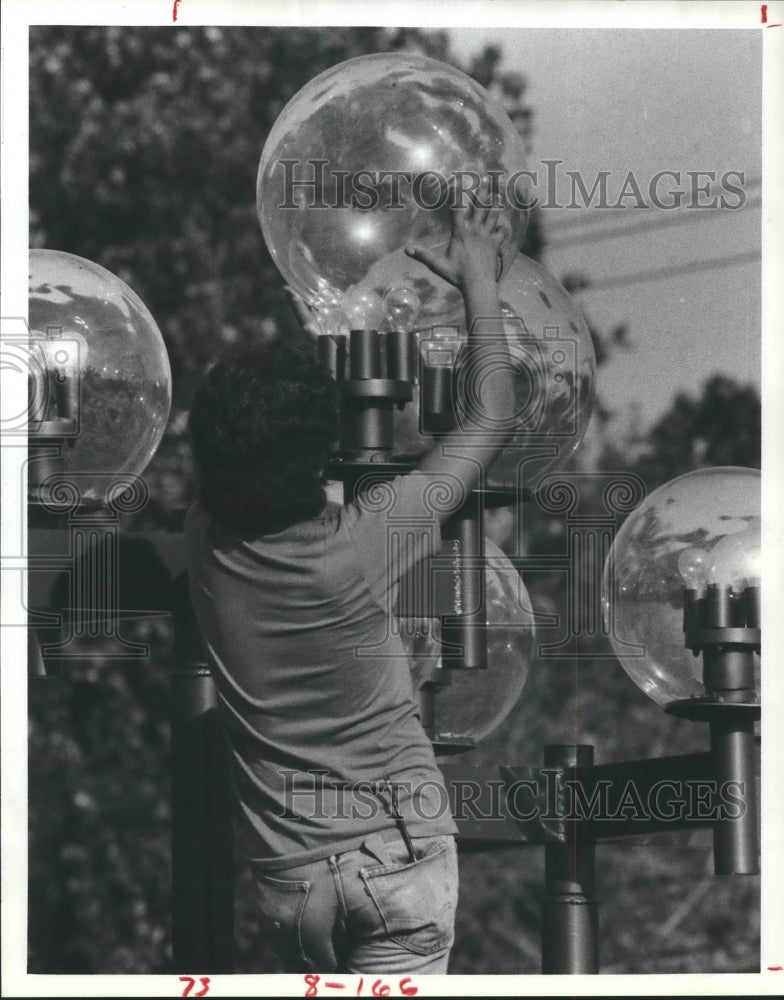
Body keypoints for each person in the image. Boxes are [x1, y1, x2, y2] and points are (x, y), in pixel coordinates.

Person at [185, 185, 515, 975]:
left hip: (291, 887)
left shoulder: (206, 543)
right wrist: (476, 280)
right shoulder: (371, 540)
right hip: (399, 860)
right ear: (323, 456)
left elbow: (248, 447)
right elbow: (490, 417)